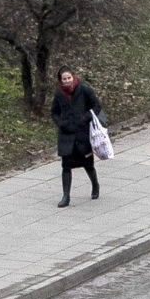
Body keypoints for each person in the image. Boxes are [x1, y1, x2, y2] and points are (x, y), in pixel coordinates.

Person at [49, 69, 103, 208]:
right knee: (66, 165)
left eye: (69, 78)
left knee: (88, 163)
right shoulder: (59, 95)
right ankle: (66, 196)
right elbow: (54, 112)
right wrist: (60, 123)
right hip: (66, 135)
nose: (67, 81)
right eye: (64, 79)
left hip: (82, 134)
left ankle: (95, 185)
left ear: (73, 77)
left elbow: (97, 106)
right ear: (60, 80)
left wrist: (86, 117)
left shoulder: (84, 90)